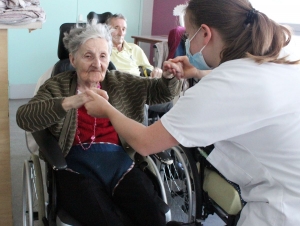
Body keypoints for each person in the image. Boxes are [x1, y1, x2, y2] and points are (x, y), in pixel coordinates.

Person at [84, 0, 300, 226]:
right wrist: (198, 71)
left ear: (205, 33)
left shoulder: (223, 86)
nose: (186, 41)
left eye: (188, 35)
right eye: (87, 56)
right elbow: (239, 87)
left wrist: (108, 110)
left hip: (283, 209)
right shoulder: (280, 55)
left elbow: (145, 142)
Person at [16, 22, 181, 226]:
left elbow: (162, 92)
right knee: (107, 220)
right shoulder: (57, 86)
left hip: (119, 164)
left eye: (103, 56)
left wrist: (168, 77)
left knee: (153, 215)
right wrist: (69, 102)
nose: (97, 63)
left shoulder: (119, 82)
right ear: (72, 59)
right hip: (74, 167)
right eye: (88, 56)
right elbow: (24, 117)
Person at [107, 13, 173, 123]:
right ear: (107, 30)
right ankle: (143, 137)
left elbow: (149, 69)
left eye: (124, 29)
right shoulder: (104, 51)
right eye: (116, 28)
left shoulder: (134, 49)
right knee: (140, 103)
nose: (121, 33)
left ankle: (166, 134)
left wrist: (157, 70)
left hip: (142, 87)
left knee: (168, 102)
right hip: (121, 91)